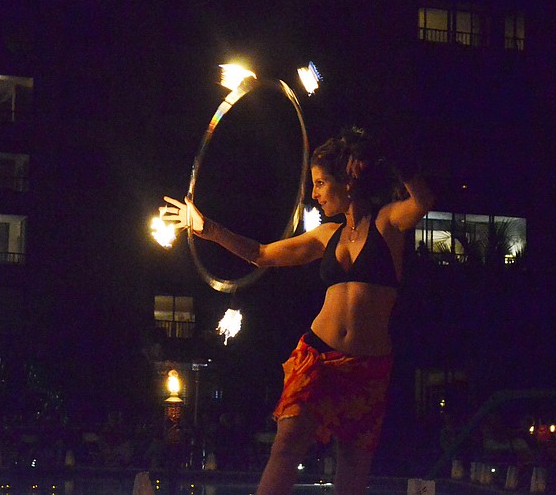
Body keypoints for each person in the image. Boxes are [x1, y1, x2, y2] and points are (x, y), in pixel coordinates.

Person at [161, 126, 434, 495]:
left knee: (353, 464)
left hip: (368, 367)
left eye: (321, 183)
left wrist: (386, 152)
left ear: (348, 181)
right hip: (318, 356)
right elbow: (261, 254)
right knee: (286, 444)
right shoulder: (325, 236)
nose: (314, 194)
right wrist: (207, 228)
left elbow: (423, 200)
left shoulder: (388, 224)